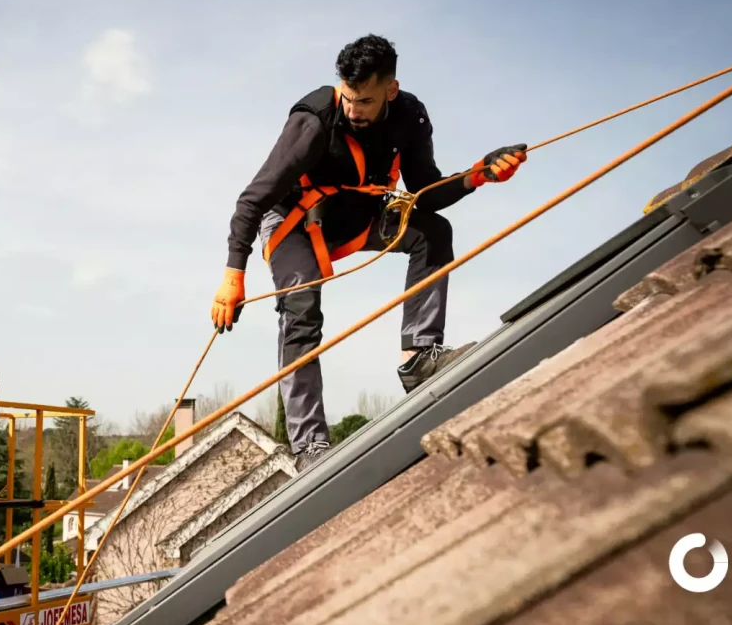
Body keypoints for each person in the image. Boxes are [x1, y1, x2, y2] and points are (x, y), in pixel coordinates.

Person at [210, 34, 527, 470]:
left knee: (433, 232)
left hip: (359, 217)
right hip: (296, 222)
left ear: (390, 91)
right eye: (348, 97)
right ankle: (309, 447)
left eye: (365, 101)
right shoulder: (315, 120)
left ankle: (418, 358)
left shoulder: (409, 117)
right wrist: (233, 276)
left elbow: (424, 193)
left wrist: (477, 176)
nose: (354, 109)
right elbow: (252, 200)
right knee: (301, 300)